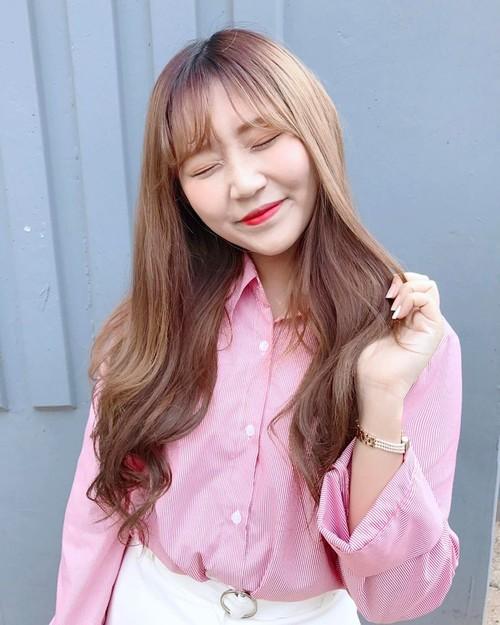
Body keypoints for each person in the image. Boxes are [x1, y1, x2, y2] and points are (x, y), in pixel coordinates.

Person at [49, 27, 462, 625]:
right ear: (179, 192)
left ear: (314, 131)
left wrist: (379, 401)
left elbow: (399, 599)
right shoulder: (155, 321)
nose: (243, 183)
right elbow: (98, 511)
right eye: (204, 165)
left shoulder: (407, 340)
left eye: (264, 140)